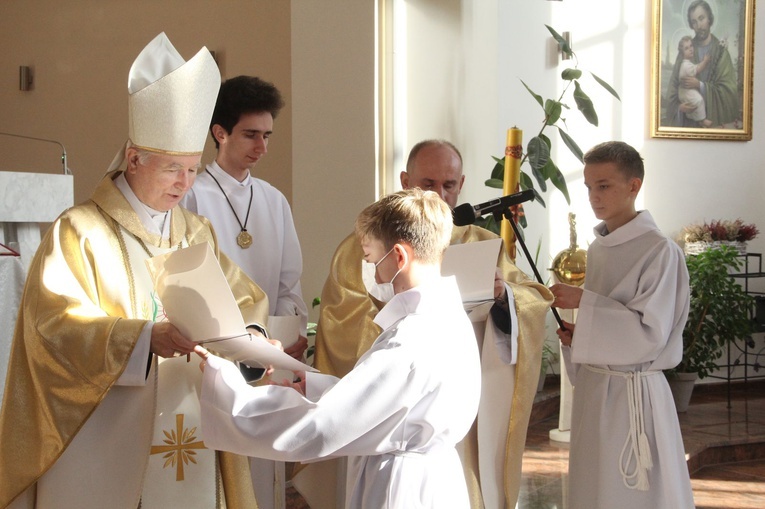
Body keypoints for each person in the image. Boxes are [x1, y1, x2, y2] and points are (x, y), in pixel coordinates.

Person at [0, 33, 273, 509]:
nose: (184, 184)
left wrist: (250, 335)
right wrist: (145, 338)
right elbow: (53, 330)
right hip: (106, 439)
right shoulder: (80, 231)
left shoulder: (194, 231)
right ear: (133, 159)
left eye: (192, 169)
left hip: (193, 420)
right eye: (172, 168)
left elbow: (243, 298)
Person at [194, 188, 482, 508]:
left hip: (401, 490)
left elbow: (320, 426)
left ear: (399, 256)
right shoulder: (448, 317)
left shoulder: (410, 339)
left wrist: (228, 387)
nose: (371, 272)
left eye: (371, 259)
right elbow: (395, 405)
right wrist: (316, 387)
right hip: (437, 482)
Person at [305, 139, 553, 508]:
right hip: (396, 414)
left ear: (461, 184)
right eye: (427, 184)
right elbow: (341, 323)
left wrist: (505, 299)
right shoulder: (364, 248)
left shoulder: (479, 242)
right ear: (406, 180)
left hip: (459, 407)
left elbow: (533, 300)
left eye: (449, 185)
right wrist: (402, 310)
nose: (439, 195)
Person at [181, 75, 308, 508]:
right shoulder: (193, 197)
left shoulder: (273, 201)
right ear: (220, 132)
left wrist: (289, 331)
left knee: (264, 477)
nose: (262, 146)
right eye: (251, 134)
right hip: (218, 356)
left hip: (269, 352)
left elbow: (289, 284)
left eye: (267, 135)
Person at [550, 141, 695, 508]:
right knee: (595, 487)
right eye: (588, 187)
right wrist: (577, 337)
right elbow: (607, 323)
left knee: (633, 493)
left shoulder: (660, 251)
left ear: (634, 186)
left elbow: (649, 333)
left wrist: (585, 303)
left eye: (604, 186)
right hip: (597, 388)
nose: (593, 197)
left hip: (636, 394)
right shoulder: (599, 248)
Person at [665, 0, 738, 128]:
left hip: (714, 127)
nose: (699, 25)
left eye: (701, 18)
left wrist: (700, 86)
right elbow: (672, 90)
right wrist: (679, 107)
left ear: (709, 19)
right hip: (688, 126)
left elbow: (729, 92)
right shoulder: (685, 53)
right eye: (694, 22)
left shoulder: (721, 52)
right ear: (691, 25)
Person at [676, 36, 713, 128]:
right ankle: (702, 120)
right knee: (699, 100)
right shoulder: (686, 65)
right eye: (686, 48)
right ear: (682, 53)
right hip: (685, 91)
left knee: (695, 102)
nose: (690, 49)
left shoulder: (686, 63)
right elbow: (697, 69)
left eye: (691, 46)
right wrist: (705, 61)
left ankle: (695, 118)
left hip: (685, 91)